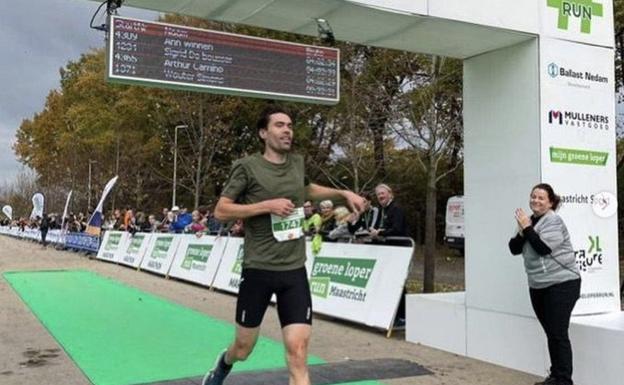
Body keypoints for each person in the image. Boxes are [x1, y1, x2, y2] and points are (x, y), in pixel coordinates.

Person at [202, 105, 365, 385]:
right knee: (244, 348)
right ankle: (224, 363)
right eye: (279, 125)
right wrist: (267, 206)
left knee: (298, 351)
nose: (287, 130)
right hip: (258, 269)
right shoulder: (247, 167)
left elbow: (307, 190)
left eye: (289, 125)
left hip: (293, 269)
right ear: (263, 133)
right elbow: (222, 211)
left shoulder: (296, 164)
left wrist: (343, 193)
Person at [508, 183, 581, 385]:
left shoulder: (554, 221)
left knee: (558, 332)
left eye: (541, 198)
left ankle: (564, 380)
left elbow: (543, 248)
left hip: (562, 283)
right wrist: (524, 229)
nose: (535, 201)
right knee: (551, 331)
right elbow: (513, 248)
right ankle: (556, 376)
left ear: (550, 202)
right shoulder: (527, 221)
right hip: (538, 285)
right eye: (533, 197)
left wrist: (527, 228)